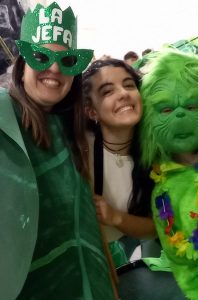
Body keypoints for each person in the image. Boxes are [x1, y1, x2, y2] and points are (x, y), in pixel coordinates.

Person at [0, 2, 115, 299]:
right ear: (22, 63)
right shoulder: (3, 118)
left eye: (67, 61)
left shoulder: (71, 128)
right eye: (40, 56)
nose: (54, 68)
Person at [140, 49, 198, 299]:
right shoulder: (164, 195)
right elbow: (192, 271)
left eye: (190, 105)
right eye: (166, 110)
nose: (180, 115)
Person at [82, 58, 156, 268]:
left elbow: (156, 227)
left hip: (118, 247)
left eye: (128, 85)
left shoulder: (157, 154)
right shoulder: (78, 148)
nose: (123, 94)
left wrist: (115, 217)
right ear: (92, 111)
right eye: (107, 91)